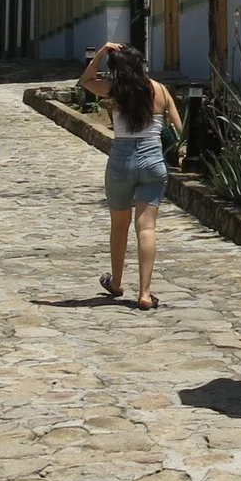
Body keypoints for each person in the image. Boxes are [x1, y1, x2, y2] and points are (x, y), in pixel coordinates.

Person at [81, 41, 182, 310]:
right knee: (146, 228)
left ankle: (116, 282)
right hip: (153, 161)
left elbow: (86, 80)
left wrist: (102, 52)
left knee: (119, 225)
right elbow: (179, 129)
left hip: (122, 161)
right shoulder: (160, 90)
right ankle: (146, 293)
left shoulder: (115, 89)